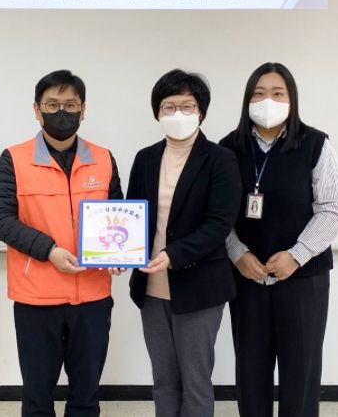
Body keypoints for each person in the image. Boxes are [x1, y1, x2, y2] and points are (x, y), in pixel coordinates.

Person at [0, 70, 123, 417]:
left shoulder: (104, 158)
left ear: (83, 110)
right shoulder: (14, 158)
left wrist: (119, 254)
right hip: (36, 298)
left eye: (70, 105)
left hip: (92, 297)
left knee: (86, 398)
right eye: (52, 105)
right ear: (37, 110)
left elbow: (117, 215)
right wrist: (49, 250)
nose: (62, 112)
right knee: (37, 399)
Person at [220, 62, 338, 417]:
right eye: (259, 93)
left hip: (303, 279)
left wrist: (297, 254)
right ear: (247, 100)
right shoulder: (228, 148)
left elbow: (333, 208)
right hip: (247, 278)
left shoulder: (315, 144)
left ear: (292, 99)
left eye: (278, 93)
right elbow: (217, 213)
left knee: (301, 372)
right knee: (251, 373)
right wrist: (237, 253)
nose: (268, 101)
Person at [126, 69, 242, 417]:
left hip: (199, 286)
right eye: (169, 106)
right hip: (151, 287)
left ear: (201, 111)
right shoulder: (145, 158)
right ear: (158, 113)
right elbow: (132, 215)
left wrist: (173, 255)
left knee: (195, 381)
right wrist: (120, 255)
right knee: (163, 379)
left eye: (187, 106)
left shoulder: (220, 159)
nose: (177, 113)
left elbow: (219, 224)